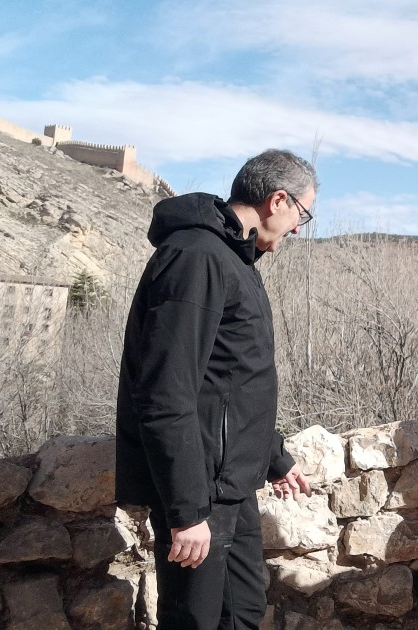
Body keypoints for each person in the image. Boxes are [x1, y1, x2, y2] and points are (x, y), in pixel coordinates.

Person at [115, 149, 317, 630]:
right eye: (302, 215)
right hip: (200, 490)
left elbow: (233, 380)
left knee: (242, 612)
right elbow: (165, 392)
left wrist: (273, 457)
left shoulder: (233, 259)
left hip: (231, 487)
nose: (299, 228)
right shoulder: (196, 257)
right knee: (197, 621)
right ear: (278, 200)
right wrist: (186, 512)